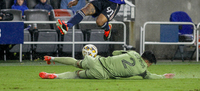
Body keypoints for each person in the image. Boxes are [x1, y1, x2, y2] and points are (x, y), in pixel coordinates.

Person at [39, 50, 175, 79]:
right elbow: (151, 77)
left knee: (76, 62)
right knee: (76, 75)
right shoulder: (143, 70)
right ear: (147, 62)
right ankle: (54, 76)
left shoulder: (133, 52)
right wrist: (164, 76)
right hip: (102, 74)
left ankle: (51, 57)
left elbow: (115, 52)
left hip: (97, 61)